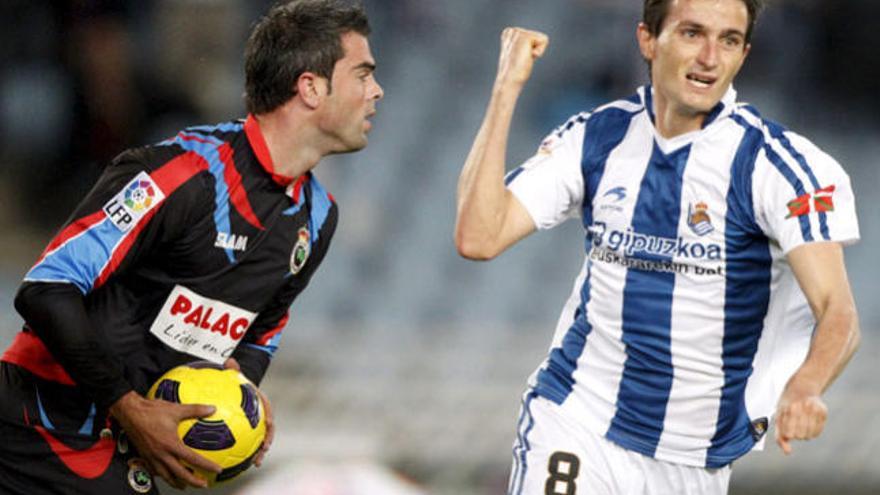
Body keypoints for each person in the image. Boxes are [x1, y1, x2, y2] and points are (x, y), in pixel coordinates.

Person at [454, 0, 860, 493]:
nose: (710, 57)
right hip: (579, 419)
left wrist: (807, 385)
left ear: (744, 53)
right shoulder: (597, 136)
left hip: (694, 460)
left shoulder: (778, 166)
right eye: (692, 33)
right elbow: (479, 236)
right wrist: (506, 89)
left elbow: (838, 312)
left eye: (728, 40)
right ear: (647, 39)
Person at [0, 0, 383, 492]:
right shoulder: (180, 173)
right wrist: (130, 407)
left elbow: (260, 332)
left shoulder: (317, 219)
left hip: (120, 453)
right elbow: (46, 289)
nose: (376, 91)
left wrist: (240, 399)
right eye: (363, 74)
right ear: (310, 87)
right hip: (30, 431)